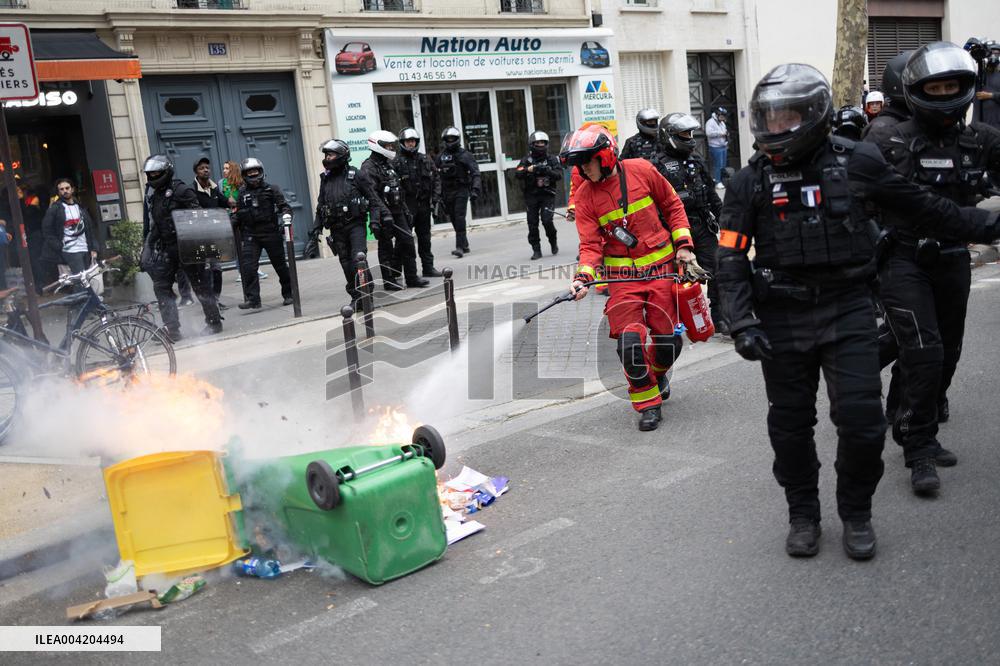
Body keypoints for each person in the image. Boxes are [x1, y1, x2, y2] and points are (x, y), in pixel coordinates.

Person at [717, 63, 1000, 560]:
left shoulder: (859, 162)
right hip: (781, 314)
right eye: (769, 118)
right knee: (789, 426)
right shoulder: (749, 182)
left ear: (814, 115)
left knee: (863, 424)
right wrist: (741, 321)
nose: (776, 128)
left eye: (787, 118)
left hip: (848, 307)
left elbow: (925, 207)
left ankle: (857, 513)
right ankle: (803, 513)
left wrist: (987, 225)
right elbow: (731, 256)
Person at [873, 41, 1000, 495]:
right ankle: (918, 448)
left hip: (952, 259)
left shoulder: (980, 140)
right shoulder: (889, 138)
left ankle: (914, 423)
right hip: (904, 259)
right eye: (936, 87)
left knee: (946, 353)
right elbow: (901, 203)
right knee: (923, 351)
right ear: (916, 90)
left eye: (953, 86)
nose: (945, 95)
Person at [562, 124, 701, 433]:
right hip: (622, 279)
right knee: (629, 343)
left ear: (606, 156)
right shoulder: (584, 196)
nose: (583, 168)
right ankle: (648, 404)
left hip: (662, 270)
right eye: (579, 163)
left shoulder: (641, 170)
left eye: (588, 160)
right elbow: (589, 245)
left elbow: (672, 205)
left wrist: (683, 246)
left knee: (668, 343)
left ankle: (657, 373)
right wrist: (583, 276)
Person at [650, 112, 728, 334]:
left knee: (717, 267)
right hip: (671, 230)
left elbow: (712, 194)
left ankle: (721, 318)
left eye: (690, 133)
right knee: (675, 278)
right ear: (669, 135)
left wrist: (725, 221)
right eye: (683, 134)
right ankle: (675, 322)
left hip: (701, 224)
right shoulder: (655, 165)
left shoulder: (696, 160)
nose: (689, 137)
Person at [141, 155, 222, 340]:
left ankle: (214, 322)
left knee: (200, 286)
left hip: (187, 246)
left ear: (166, 171)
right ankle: (173, 329)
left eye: (156, 173)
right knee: (161, 286)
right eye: (150, 174)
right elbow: (157, 225)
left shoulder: (182, 190)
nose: (153, 176)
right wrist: (147, 247)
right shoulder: (155, 195)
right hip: (168, 248)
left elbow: (198, 217)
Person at [316, 138, 383, 306]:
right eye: (326, 155)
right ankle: (356, 297)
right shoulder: (325, 178)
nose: (327, 158)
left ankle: (366, 295)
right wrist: (315, 230)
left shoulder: (357, 175)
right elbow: (321, 204)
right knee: (345, 263)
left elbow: (374, 199)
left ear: (341, 155)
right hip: (336, 228)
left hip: (355, 225)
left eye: (330, 155)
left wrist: (375, 221)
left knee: (358, 259)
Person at [360, 131, 428, 291]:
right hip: (382, 214)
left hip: (398, 211)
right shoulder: (368, 167)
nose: (391, 148)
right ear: (378, 145)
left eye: (392, 145)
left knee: (408, 242)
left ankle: (411, 277)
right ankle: (389, 280)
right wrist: (384, 214)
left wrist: (406, 211)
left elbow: (399, 190)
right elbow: (373, 195)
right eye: (388, 146)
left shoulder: (388, 164)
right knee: (386, 248)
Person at [233, 157, 294, 309]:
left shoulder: (271, 189)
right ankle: (253, 299)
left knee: (280, 266)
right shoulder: (241, 193)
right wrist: (229, 222)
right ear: (245, 175)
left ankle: (289, 294)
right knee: (248, 267)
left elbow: (285, 206)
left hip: (270, 232)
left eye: (256, 171)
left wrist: (286, 216)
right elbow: (238, 213)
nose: (253, 174)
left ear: (261, 171)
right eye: (250, 172)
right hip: (250, 235)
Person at [393, 128, 442, 277]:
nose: (411, 144)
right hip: (406, 206)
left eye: (413, 141)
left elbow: (436, 180)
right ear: (402, 143)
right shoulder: (396, 162)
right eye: (408, 141)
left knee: (425, 239)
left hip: (423, 205)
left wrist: (436, 200)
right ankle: (395, 271)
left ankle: (428, 267)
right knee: (403, 240)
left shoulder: (425, 159)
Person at [40, 178, 98, 291]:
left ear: (72, 189)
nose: (65, 191)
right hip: (70, 249)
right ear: (58, 192)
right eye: (61, 189)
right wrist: (58, 245)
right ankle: (82, 305)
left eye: (67, 188)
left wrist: (93, 247)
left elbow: (89, 228)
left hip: (85, 248)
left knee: (84, 278)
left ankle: (81, 305)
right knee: (81, 279)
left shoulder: (80, 207)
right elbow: (47, 229)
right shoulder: (56, 208)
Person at [515, 130, 562, 260]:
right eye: (537, 143)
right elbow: (517, 173)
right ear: (532, 144)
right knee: (532, 223)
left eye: (542, 142)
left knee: (547, 221)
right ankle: (536, 249)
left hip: (547, 195)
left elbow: (559, 175)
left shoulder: (552, 159)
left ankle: (553, 241)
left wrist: (548, 171)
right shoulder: (527, 160)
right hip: (531, 196)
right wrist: (528, 170)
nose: (540, 145)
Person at [435, 126, 481, 257]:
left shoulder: (465, 155)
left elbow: (475, 173)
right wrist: (437, 194)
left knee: (460, 217)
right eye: (447, 139)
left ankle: (459, 247)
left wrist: (475, 190)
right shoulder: (440, 157)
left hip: (461, 190)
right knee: (454, 218)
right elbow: (435, 175)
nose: (450, 141)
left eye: (452, 139)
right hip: (446, 191)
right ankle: (465, 244)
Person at [192, 157, 229, 308]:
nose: (206, 170)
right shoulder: (191, 190)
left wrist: (235, 201)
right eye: (202, 168)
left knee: (216, 269)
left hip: (213, 236)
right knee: (202, 271)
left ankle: (215, 299)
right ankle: (206, 301)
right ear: (196, 172)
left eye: (207, 167)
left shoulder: (214, 188)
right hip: (198, 237)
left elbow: (225, 201)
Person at [973, 41, 1000, 129]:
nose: (993, 56)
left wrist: (991, 95)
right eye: (991, 53)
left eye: (997, 53)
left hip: (996, 125)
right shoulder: (980, 75)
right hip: (979, 124)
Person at [705, 107, 730, 184]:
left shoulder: (722, 122)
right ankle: (717, 181)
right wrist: (720, 133)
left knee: (723, 165)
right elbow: (708, 133)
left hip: (723, 146)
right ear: (718, 115)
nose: (723, 118)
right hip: (715, 147)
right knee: (717, 165)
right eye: (722, 116)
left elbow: (724, 131)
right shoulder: (710, 122)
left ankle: (722, 180)